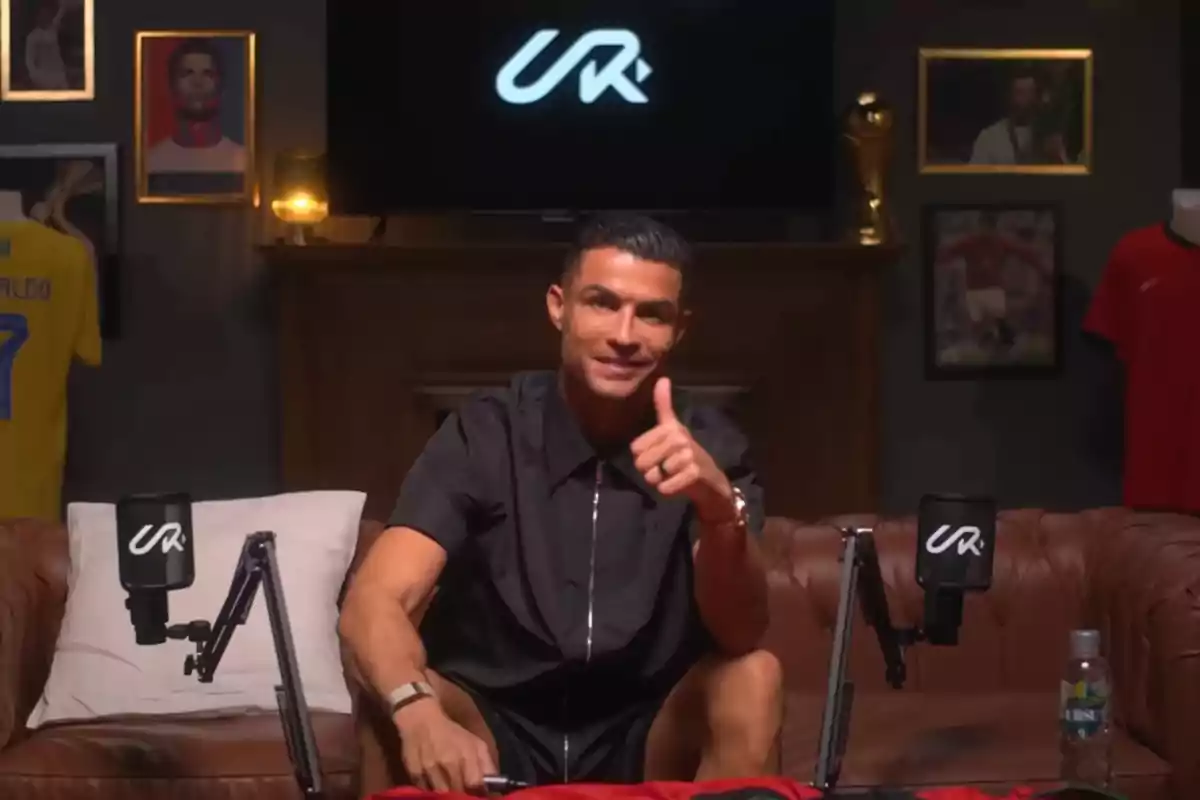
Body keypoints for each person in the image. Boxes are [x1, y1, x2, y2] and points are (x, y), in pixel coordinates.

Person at [339, 213, 782, 793]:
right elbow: (372, 601)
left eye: (651, 314)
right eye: (602, 303)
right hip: (494, 728)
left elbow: (743, 632)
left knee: (755, 675)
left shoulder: (711, 445)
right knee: (394, 682)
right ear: (559, 307)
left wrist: (720, 511)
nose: (625, 334)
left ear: (678, 330)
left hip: (646, 731)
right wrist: (416, 710)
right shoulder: (487, 433)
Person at [145, 38, 246, 175]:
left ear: (221, 88)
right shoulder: (150, 162)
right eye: (187, 73)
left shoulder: (244, 161)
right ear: (171, 86)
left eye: (207, 74)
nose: (197, 83)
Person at [969, 66, 1068, 165]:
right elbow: (974, 178)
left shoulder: (1049, 137)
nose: (1022, 101)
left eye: (1029, 93)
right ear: (1009, 96)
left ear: (1037, 98)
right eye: (1019, 93)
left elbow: (1066, 176)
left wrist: (1055, 156)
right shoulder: (990, 138)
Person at [23, 0, 69, 90]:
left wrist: (63, 6)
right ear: (37, 17)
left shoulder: (53, 28)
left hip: (59, 73)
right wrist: (35, 76)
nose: (45, 17)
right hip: (44, 76)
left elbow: (60, 14)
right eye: (42, 15)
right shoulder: (32, 37)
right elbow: (29, 60)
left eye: (47, 15)